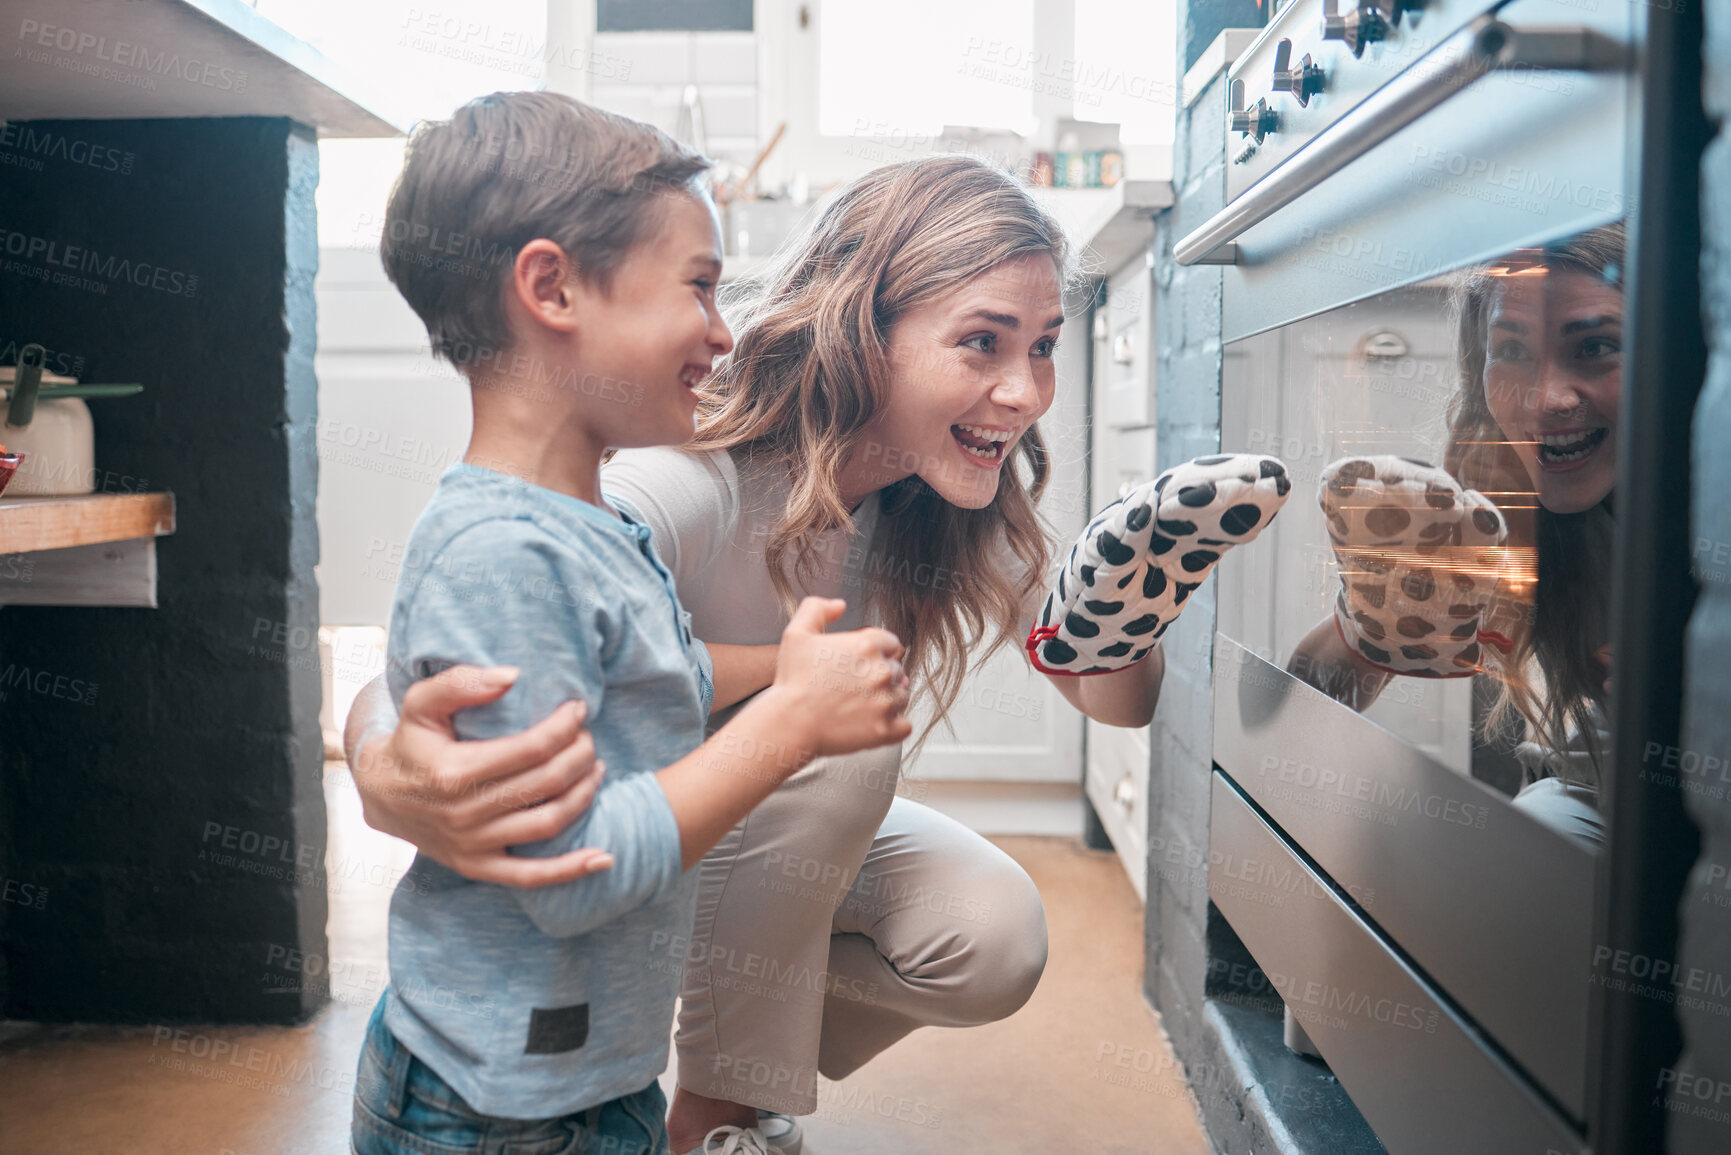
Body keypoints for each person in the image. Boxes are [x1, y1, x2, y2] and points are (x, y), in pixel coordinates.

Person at [346, 153, 1285, 1155]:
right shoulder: (694, 472)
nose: (1024, 392)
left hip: (720, 866)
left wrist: (1129, 613)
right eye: (982, 343)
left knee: (990, 934)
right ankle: (720, 1122)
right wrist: (377, 760)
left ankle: (731, 1040)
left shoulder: (957, 492)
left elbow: (1116, 705)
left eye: (1044, 346)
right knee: (839, 732)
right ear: (862, 332)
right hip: (619, 836)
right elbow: (471, 630)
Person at [348, 91, 911, 1155]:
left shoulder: (586, 522)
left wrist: (783, 669)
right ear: (551, 287)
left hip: (576, 1075)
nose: (722, 330)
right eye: (698, 286)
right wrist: (792, 719)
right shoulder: (509, 555)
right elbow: (577, 867)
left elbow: (655, 681)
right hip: (502, 1110)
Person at [1289, 223, 1624, 846]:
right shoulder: (1506, 507)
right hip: (1599, 782)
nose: (1546, 398)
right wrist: (1371, 622)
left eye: (1596, 347)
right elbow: (1301, 705)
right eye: (1513, 351)